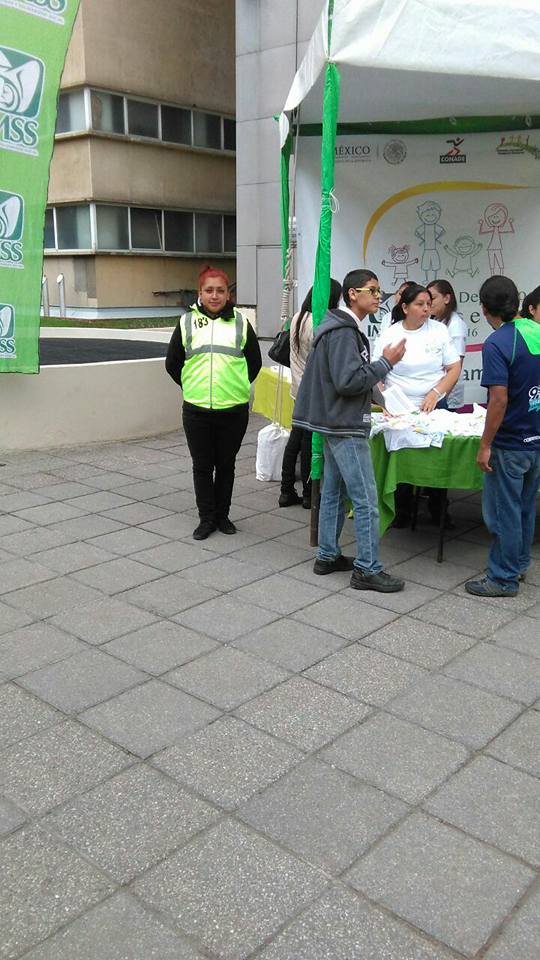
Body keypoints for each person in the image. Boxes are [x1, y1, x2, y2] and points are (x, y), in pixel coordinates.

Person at [292, 269, 406, 593]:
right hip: (345, 424)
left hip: (334, 421)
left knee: (334, 492)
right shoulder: (344, 331)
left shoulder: (339, 327)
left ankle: (327, 555)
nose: (378, 296)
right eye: (372, 290)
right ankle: (367, 569)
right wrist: (386, 362)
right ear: (353, 294)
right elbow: (348, 381)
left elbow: (344, 378)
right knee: (366, 499)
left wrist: (379, 396)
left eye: (379, 291)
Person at [166, 266, 262, 540]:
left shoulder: (241, 323)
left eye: (220, 290)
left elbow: (254, 363)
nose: (215, 295)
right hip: (196, 410)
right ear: (200, 293)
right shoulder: (186, 322)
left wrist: (234, 386)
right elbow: (172, 363)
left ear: (228, 294)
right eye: (209, 290)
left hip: (233, 410)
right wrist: (193, 386)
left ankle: (223, 516)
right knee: (202, 466)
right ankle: (206, 518)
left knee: (226, 465)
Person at [465, 276, 540, 597]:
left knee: (503, 512)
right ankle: (518, 564)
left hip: (510, 443)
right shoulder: (535, 331)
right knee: (524, 507)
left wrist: (485, 445)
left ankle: (503, 578)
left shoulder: (497, 342)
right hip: (535, 439)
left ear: (484, 308)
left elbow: (498, 400)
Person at [373, 283, 461, 527]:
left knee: (437, 456)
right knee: (402, 456)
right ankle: (401, 509)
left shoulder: (439, 331)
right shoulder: (391, 334)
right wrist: (385, 400)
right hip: (399, 409)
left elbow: (454, 368)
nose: (426, 309)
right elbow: (376, 373)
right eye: (420, 304)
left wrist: (436, 393)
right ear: (405, 307)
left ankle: (438, 508)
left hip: (434, 405)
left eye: (428, 304)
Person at [279, 279, 342, 509]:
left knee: (295, 440)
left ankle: (286, 490)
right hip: (313, 390)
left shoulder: (298, 317)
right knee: (308, 443)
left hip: (298, 386)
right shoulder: (320, 322)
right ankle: (309, 494)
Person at [427, 279, 468, 409]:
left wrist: (442, 397)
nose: (429, 303)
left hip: (446, 395)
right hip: (433, 391)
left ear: (446, 298)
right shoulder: (434, 321)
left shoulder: (456, 325)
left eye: (433, 298)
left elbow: (457, 364)